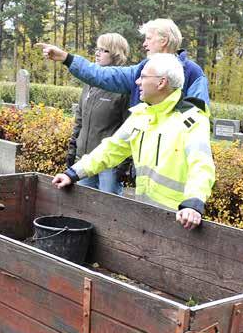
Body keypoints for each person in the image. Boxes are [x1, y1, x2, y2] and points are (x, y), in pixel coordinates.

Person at [52, 53, 215, 230]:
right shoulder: (141, 114)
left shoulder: (191, 119)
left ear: (161, 82)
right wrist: (73, 173)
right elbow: (111, 148)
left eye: (143, 77)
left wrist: (193, 203)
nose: (137, 82)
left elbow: (201, 166)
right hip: (146, 213)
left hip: (179, 219)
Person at [37, 18, 210, 107]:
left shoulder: (193, 72)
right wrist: (67, 58)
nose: (144, 44)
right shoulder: (142, 69)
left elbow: (198, 115)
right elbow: (103, 75)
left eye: (148, 38)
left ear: (164, 40)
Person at [68, 33, 130, 195]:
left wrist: (123, 166)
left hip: (109, 165)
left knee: (110, 212)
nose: (97, 53)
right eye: (97, 49)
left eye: (104, 50)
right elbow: (79, 120)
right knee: (83, 208)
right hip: (85, 160)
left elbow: (130, 127)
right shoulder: (89, 83)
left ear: (117, 54)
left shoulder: (124, 88)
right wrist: (72, 149)